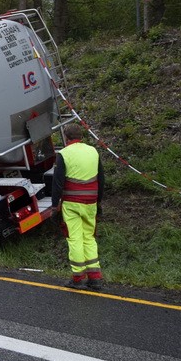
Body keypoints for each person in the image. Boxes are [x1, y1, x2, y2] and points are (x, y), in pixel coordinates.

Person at [51, 122, 105, 290]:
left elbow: (58, 182)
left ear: (66, 138)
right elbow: (101, 179)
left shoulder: (64, 154)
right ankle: (95, 277)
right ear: (81, 136)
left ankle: (77, 278)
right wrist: (99, 201)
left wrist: (55, 206)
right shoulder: (93, 151)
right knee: (89, 238)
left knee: (75, 238)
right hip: (91, 202)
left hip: (72, 203)